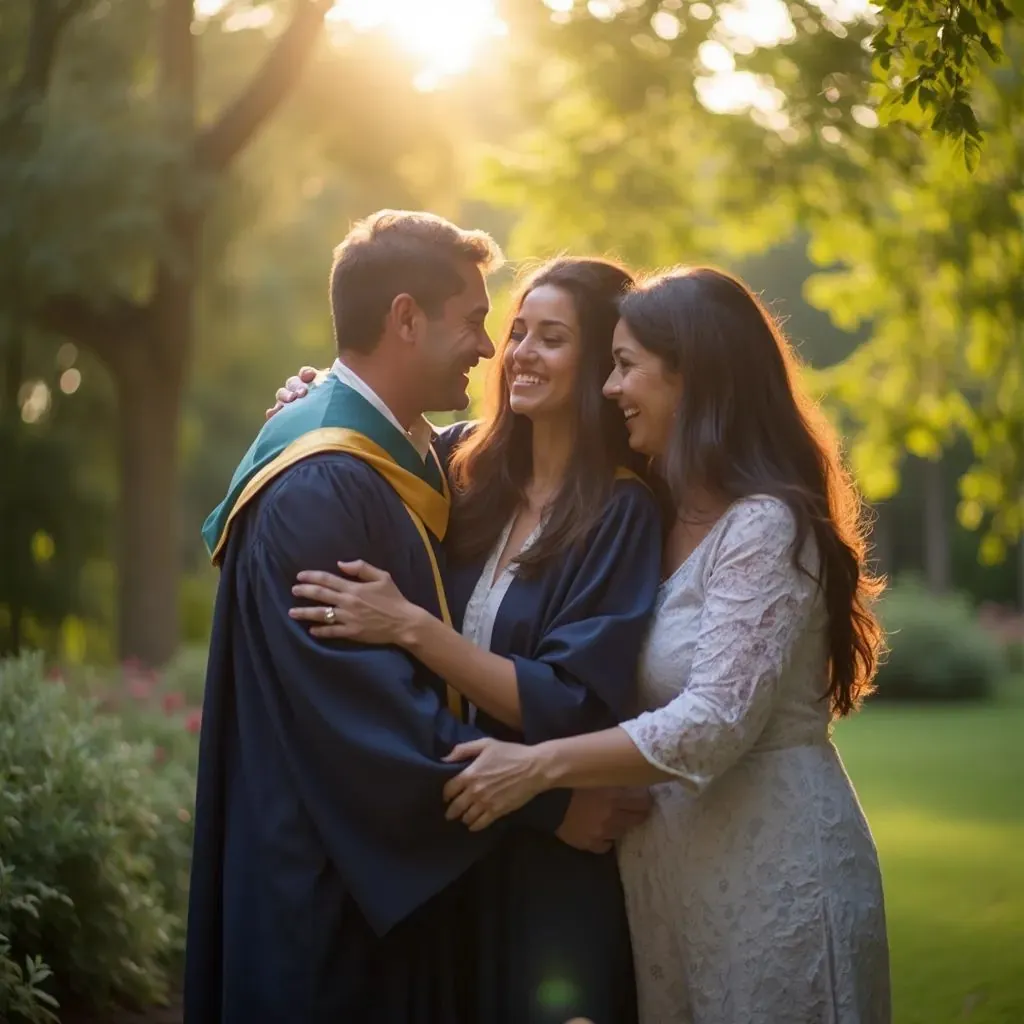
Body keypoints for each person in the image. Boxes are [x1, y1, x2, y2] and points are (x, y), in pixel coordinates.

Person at [184, 212, 640, 1024]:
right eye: (477, 321)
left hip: (369, 882)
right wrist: (551, 803)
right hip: (325, 890)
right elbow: (370, 725)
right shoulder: (322, 484)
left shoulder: (415, 459)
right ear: (404, 319)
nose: (491, 349)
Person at [434, 267, 893, 1023]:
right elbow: (479, 442)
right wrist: (324, 395)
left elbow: (713, 721)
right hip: (665, 883)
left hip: (773, 872)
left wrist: (536, 767)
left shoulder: (765, 526)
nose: (609, 390)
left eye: (624, 367)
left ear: (694, 378)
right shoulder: (659, 508)